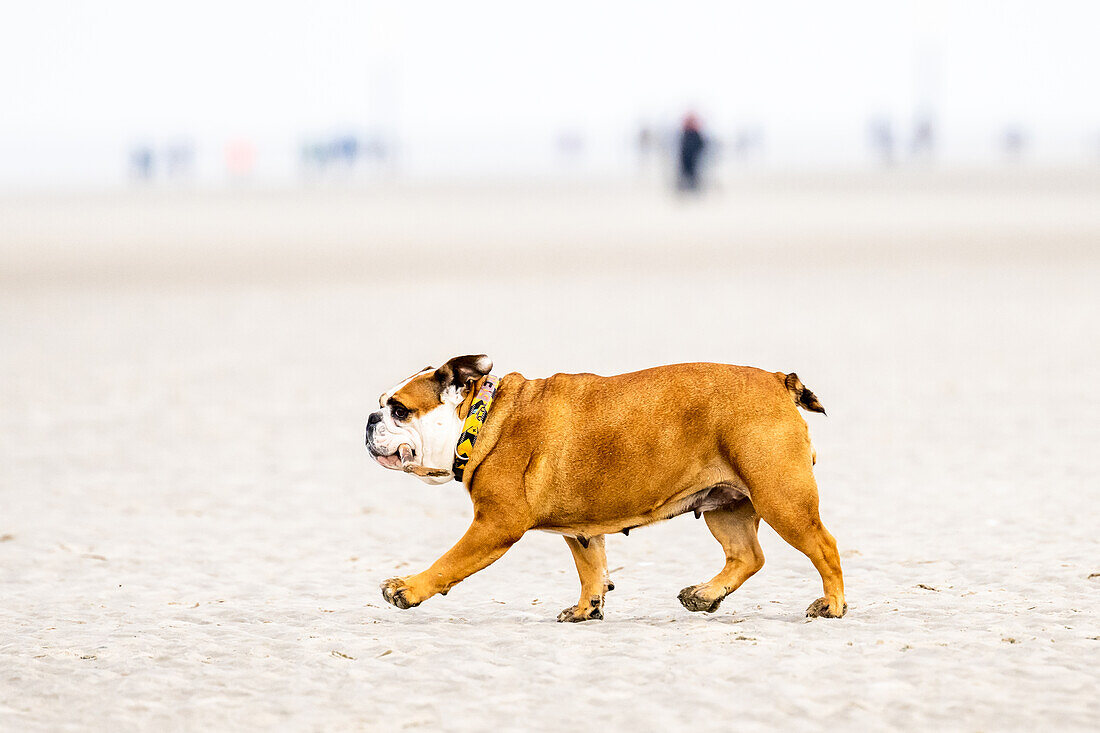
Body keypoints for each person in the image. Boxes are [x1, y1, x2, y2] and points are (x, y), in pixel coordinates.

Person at [677, 113, 707, 192]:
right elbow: (682, 146)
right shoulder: (685, 134)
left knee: (693, 173)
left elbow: (701, 145)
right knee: (685, 173)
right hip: (686, 158)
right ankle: (685, 188)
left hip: (694, 158)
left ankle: (693, 188)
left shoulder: (696, 134)